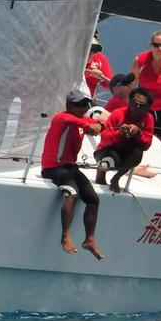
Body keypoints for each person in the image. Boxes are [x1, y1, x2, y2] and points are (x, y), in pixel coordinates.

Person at [40, 91, 105, 259]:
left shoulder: (82, 121)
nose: (82, 108)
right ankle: (65, 235)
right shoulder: (61, 118)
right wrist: (93, 126)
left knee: (93, 199)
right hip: (53, 168)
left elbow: (97, 125)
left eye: (85, 105)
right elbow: (86, 125)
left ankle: (89, 240)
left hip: (70, 167)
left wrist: (101, 125)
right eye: (78, 105)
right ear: (68, 106)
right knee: (72, 193)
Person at [94, 87, 155, 193]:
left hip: (125, 153)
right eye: (135, 103)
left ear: (148, 107)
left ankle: (116, 178)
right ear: (129, 101)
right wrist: (119, 133)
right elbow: (104, 138)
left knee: (138, 153)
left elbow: (146, 145)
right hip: (106, 151)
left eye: (142, 105)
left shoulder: (148, 119)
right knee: (112, 158)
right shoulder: (118, 113)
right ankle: (101, 171)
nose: (137, 106)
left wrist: (138, 133)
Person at [84, 32, 112, 98]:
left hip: (86, 103)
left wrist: (101, 77)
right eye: (89, 48)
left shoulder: (100, 59)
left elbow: (109, 85)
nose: (92, 53)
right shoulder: (70, 57)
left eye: (95, 50)